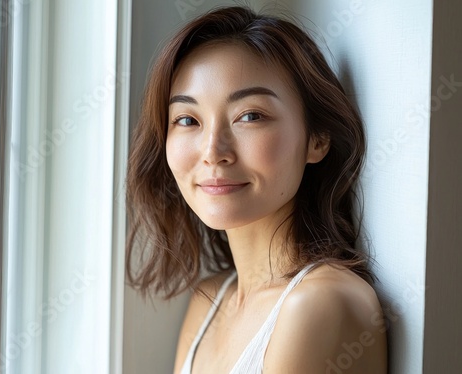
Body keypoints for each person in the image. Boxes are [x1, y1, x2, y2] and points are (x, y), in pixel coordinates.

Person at [125, 6, 387, 374]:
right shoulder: (211, 302)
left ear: (317, 138)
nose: (213, 152)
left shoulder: (319, 304)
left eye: (250, 116)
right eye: (187, 120)